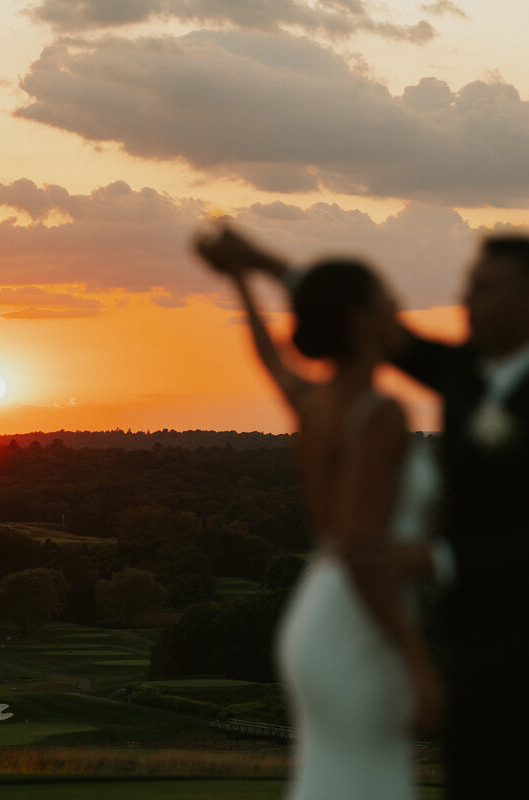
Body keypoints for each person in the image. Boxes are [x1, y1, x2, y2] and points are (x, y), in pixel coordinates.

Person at [195, 226, 443, 800]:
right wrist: (416, 658)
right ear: (360, 320)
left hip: (315, 616)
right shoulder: (380, 414)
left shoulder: (316, 401)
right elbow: (360, 551)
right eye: (386, 299)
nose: (398, 307)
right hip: (359, 624)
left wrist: (240, 277)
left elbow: (268, 357)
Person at [378, 234, 529, 800]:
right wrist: (263, 265)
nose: (465, 300)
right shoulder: (466, 373)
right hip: (468, 655)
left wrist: (434, 559)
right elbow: (392, 339)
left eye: (481, 287)